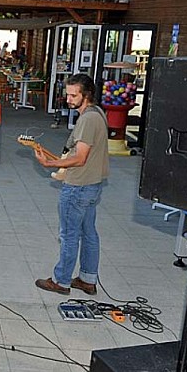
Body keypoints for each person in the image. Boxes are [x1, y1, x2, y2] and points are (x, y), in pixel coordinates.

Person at [34, 73, 109, 295]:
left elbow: (80, 158)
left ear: (86, 95)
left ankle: (61, 281)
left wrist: (51, 163)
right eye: (67, 94)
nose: (68, 99)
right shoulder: (97, 114)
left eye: (73, 95)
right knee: (88, 233)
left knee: (69, 235)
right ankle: (87, 279)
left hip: (79, 186)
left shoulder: (87, 119)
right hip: (92, 185)